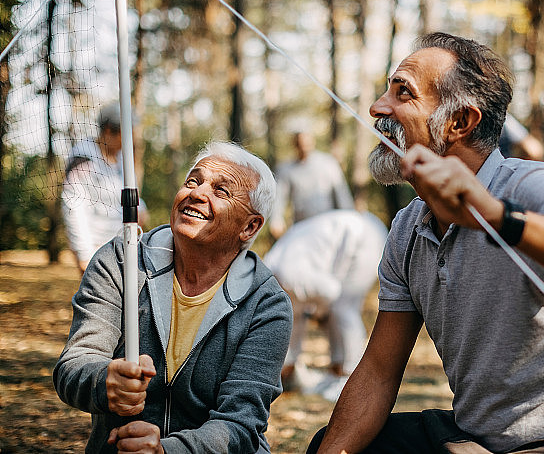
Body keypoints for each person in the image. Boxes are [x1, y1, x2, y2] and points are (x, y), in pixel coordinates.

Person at [308, 33, 544, 454]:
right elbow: (380, 372)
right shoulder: (406, 229)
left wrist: (496, 216)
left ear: (459, 122)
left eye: (403, 92)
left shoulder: (532, 185)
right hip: (485, 442)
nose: (377, 107)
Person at [54, 141, 292, 454]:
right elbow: (74, 363)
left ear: (249, 227)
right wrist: (104, 381)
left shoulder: (266, 305)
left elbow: (241, 425)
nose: (197, 192)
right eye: (192, 181)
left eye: (221, 190)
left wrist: (166, 450)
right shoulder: (121, 262)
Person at [264, 209, 387, 397]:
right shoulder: (276, 276)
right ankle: (336, 374)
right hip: (355, 237)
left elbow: (331, 291)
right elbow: (293, 322)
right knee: (337, 310)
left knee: (344, 309)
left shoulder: (287, 276)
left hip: (366, 236)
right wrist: (290, 361)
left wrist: (318, 312)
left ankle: (350, 380)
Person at [61, 102, 148, 273]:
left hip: (122, 246)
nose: (130, 140)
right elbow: (74, 208)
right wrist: (84, 255)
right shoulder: (83, 158)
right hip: (96, 250)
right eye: (126, 134)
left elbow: (124, 194)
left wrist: (141, 208)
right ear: (109, 130)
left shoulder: (122, 159)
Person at [268, 128, 354, 238]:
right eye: (300, 142)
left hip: (329, 227)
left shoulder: (328, 163)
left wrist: (350, 219)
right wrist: (276, 220)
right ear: (294, 144)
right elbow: (279, 198)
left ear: (313, 141)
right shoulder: (286, 169)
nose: (304, 145)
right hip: (302, 228)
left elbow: (341, 194)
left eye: (306, 141)